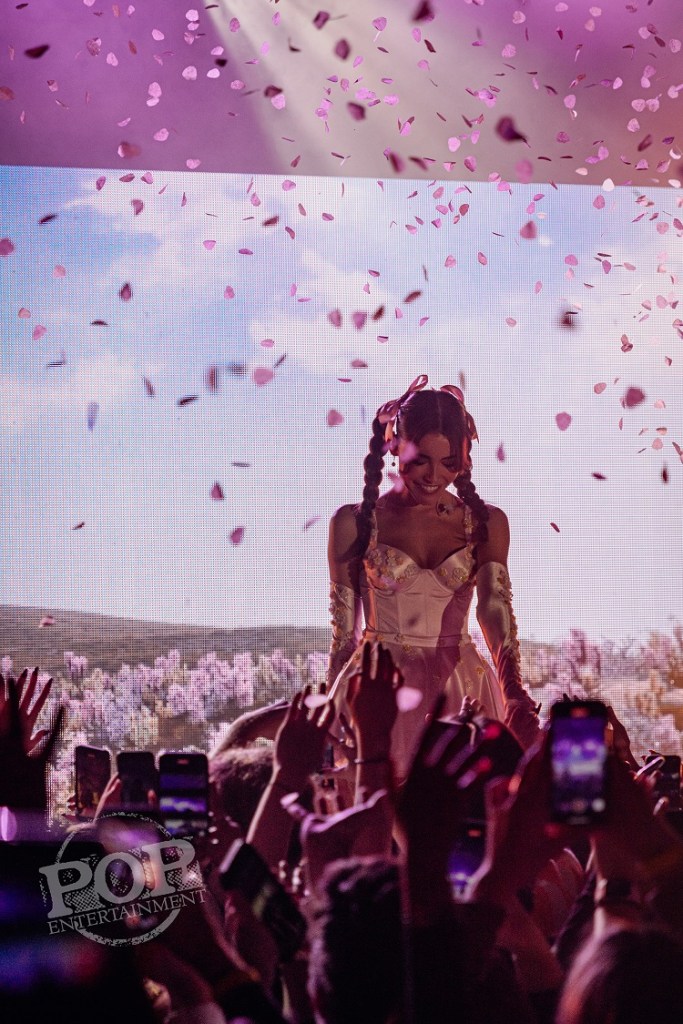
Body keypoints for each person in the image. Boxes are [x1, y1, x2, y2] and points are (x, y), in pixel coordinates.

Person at [327, 375, 539, 776]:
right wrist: (328, 710)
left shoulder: (486, 522)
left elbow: (494, 605)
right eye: (421, 459)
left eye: (449, 464)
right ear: (394, 445)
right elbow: (344, 634)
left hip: (463, 689)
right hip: (378, 691)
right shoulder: (353, 522)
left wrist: (512, 689)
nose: (433, 476)